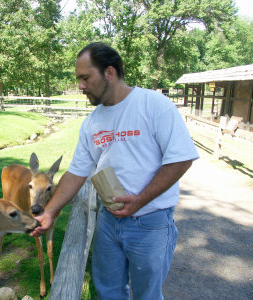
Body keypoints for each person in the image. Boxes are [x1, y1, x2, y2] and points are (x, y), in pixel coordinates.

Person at [31, 42, 199, 300]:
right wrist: (50, 212)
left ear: (109, 73)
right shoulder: (92, 123)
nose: (81, 86)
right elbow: (76, 173)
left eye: (85, 78)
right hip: (108, 222)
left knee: (147, 295)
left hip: (150, 222)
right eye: (78, 79)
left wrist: (140, 201)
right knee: (108, 292)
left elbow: (180, 159)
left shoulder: (153, 105)